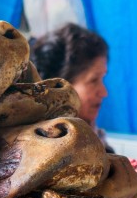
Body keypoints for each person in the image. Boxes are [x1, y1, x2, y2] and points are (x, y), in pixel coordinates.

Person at [29, 23, 114, 153]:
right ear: (59, 89)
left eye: (102, 78)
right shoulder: (45, 154)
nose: (104, 92)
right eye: (93, 80)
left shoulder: (94, 137)